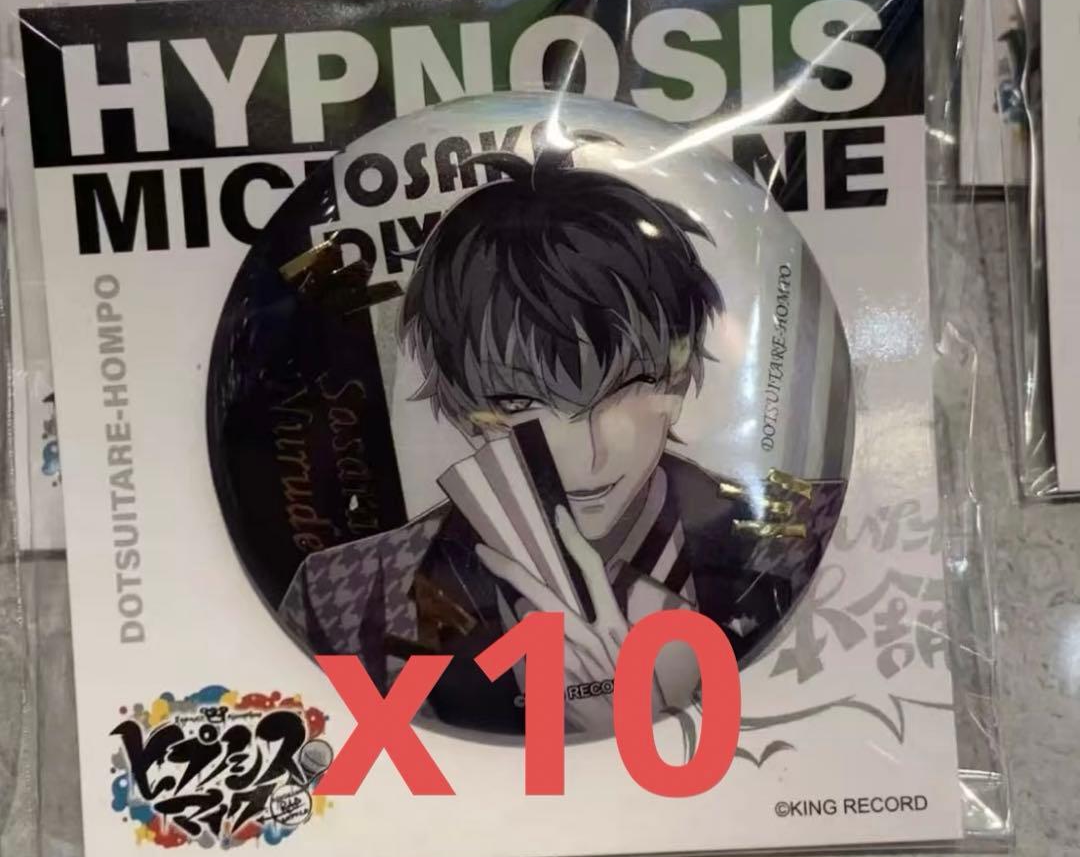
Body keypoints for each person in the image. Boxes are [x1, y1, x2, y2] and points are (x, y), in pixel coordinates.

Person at [278, 139, 845, 734]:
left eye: (623, 390)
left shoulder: (810, 537)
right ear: (467, 407)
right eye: (521, 403)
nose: (587, 456)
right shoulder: (346, 597)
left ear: (677, 383)